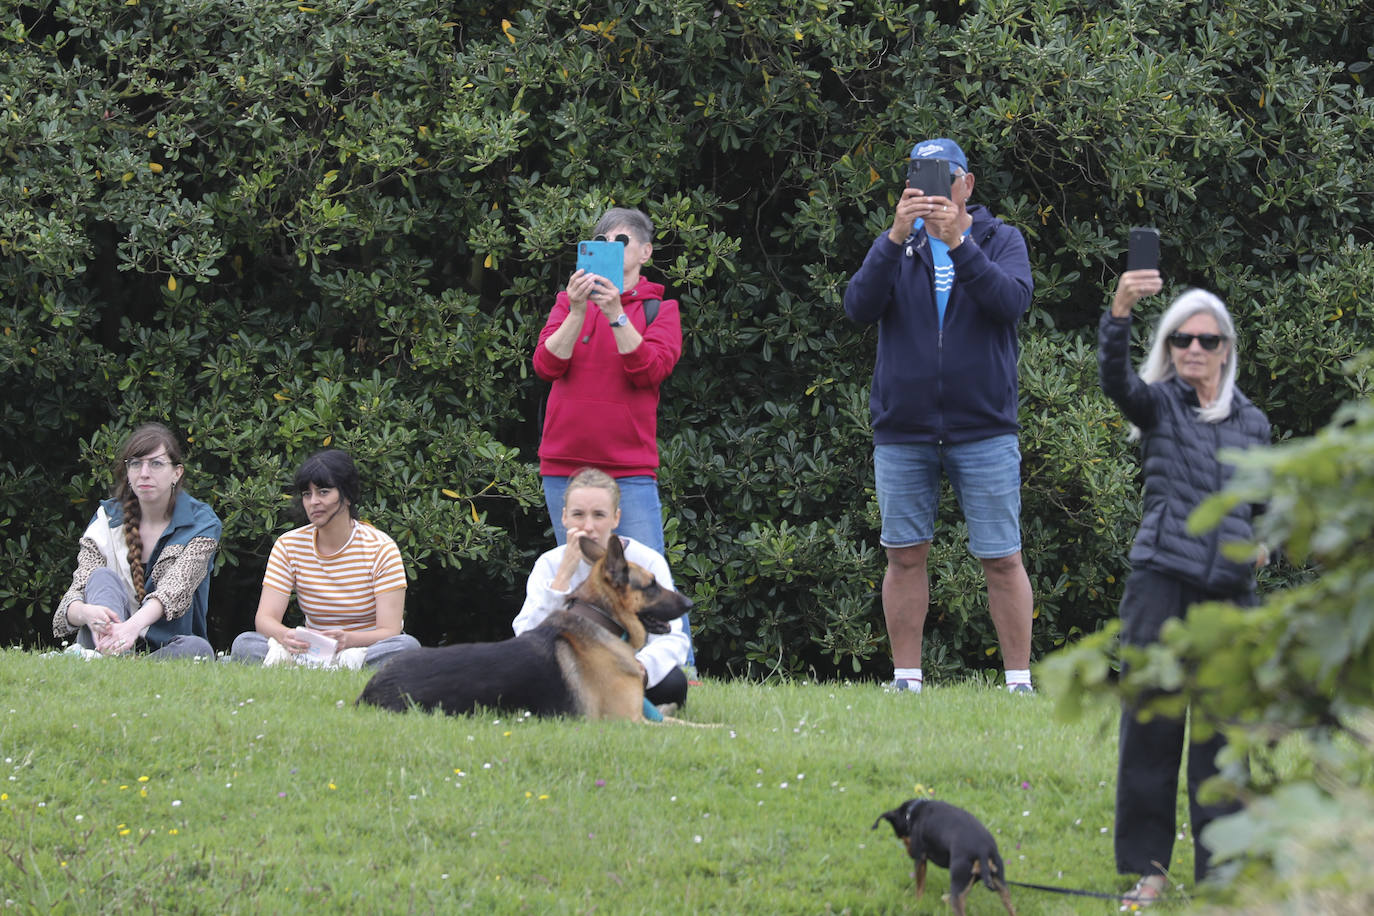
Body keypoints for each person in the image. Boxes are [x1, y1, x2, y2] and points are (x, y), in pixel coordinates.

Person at [1099, 274, 1271, 906]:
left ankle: (1224, 876)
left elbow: (1266, 505)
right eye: (1180, 339)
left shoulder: (1254, 424)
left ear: (1226, 348)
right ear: (1169, 348)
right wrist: (1120, 312)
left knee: (1223, 736)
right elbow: (1115, 382)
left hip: (1228, 594)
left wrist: (1264, 541)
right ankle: (1148, 872)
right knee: (1150, 726)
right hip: (1160, 585)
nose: (1193, 349)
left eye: (1206, 339)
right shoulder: (1158, 403)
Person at [842, 137, 1036, 694]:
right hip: (904, 429)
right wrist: (895, 236)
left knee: (1002, 557)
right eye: (918, 177)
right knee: (904, 556)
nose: (928, 189)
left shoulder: (1002, 241)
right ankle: (907, 678)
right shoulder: (897, 247)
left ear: (966, 184)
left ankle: (1018, 682)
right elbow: (858, 306)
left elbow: (1011, 303)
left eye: (942, 177)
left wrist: (961, 245)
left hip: (985, 427)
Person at [533, 207, 694, 662]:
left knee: (646, 573)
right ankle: (582, 661)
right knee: (579, 572)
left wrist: (617, 314)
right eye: (602, 241)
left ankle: (679, 666)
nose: (611, 249)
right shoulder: (569, 303)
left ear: (645, 251)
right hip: (565, 464)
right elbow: (546, 365)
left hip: (629, 468)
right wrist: (579, 311)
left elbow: (650, 371)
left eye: (621, 241)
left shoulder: (660, 309)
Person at [514, 467, 690, 711]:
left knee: (673, 684)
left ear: (616, 518)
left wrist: (640, 667)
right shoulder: (549, 564)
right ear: (564, 517)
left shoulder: (646, 562)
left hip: (626, 670)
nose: (588, 526)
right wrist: (563, 576)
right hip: (570, 674)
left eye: (599, 515)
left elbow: (672, 637)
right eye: (578, 515)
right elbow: (526, 637)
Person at [230, 449, 420, 668]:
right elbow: (265, 619)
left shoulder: (381, 548)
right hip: (310, 650)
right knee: (244, 644)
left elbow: (390, 630)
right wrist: (286, 636)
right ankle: (317, 665)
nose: (313, 502)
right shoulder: (288, 545)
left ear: (347, 496)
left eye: (323, 492)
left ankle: (338, 664)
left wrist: (348, 641)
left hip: (365, 647)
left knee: (407, 647)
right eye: (307, 494)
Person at [53, 422, 220, 659]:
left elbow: (174, 590)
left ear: (177, 473)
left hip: (168, 647)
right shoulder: (107, 518)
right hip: (107, 643)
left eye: (156, 464)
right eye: (135, 464)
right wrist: (87, 613)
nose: (144, 473)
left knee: (198, 650)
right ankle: (107, 655)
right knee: (101, 577)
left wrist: (129, 630)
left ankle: (108, 663)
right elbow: (75, 595)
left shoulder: (202, 523)